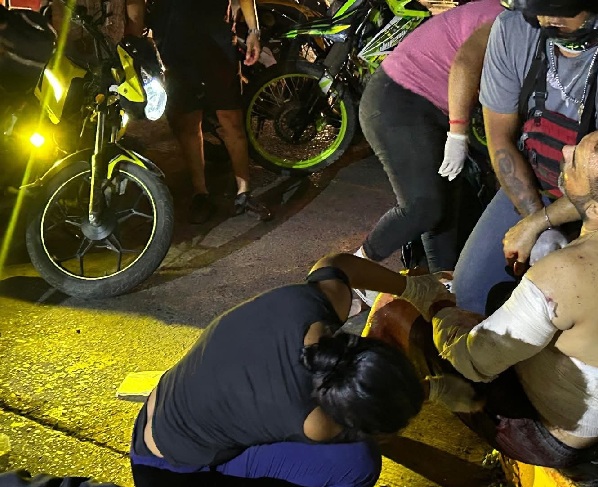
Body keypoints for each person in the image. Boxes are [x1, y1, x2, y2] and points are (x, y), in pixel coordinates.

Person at [368, 129, 598, 469]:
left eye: (575, 162)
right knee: (500, 297)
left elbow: (473, 362)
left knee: (412, 321)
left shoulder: (564, 273)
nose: (565, 150)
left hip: (556, 437)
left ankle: (437, 399)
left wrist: (437, 305)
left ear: (597, 209)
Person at [129, 252, 457, 486]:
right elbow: (375, 431)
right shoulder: (312, 421)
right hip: (170, 470)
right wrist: (432, 389)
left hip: (165, 413)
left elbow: (338, 264)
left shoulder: (311, 304)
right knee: (356, 463)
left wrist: (415, 288)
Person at [452, 0, 598, 315]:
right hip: (535, 183)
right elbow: (500, 138)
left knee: (586, 309)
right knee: (471, 294)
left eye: (560, 9)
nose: (545, 18)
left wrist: (543, 222)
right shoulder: (513, 29)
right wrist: (534, 219)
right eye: (537, 8)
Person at [354, 0, 505, 285]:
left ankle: (441, 285)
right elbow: (465, 64)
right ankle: (352, 272)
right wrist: (458, 134)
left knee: (445, 204)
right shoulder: (505, 20)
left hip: (431, 106)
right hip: (399, 98)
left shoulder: (522, 19)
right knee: (423, 206)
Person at [134, 0, 268, 224]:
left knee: (232, 119)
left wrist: (254, 31)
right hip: (174, 49)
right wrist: (133, 40)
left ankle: (244, 192)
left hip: (219, 45)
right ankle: (200, 193)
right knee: (188, 123)